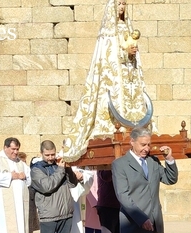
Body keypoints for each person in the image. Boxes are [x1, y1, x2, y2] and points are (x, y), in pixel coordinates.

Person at [62, 0, 153, 161]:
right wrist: (125, 53)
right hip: (114, 79)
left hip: (129, 76)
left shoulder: (128, 27)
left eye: (124, 4)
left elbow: (131, 51)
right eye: (119, 4)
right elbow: (109, 55)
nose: (122, 7)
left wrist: (132, 53)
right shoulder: (108, 32)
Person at [30, 140, 82, 233]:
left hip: (66, 213)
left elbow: (72, 184)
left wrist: (69, 168)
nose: (51, 157)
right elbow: (47, 187)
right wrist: (60, 170)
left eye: (53, 154)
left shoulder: (59, 166)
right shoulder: (36, 169)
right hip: (49, 215)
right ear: (42, 153)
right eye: (47, 155)